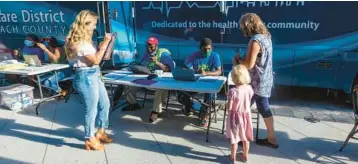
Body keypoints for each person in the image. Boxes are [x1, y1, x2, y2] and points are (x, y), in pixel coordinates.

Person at [65, 10, 113, 151]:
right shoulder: (79, 43)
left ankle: (101, 131)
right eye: (93, 24)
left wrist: (103, 47)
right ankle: (89, 138)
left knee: (105, 103)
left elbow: (95, 60)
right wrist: (105, 43)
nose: (94, 27)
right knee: (91, 110)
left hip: (94, 74)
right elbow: (96, 60)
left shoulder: (86, 41)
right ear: (85, 24)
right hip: (86, 77)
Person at [233, 13, 278, 148]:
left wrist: (238, 60)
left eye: (242, 27)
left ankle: (243, 138)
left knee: (242, 108)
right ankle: (272, 138)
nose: (242, 30)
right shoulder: (266, 37)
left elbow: (249, 65)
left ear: (248, 26)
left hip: (255, 82)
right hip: (266, 79)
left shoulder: (255, 41)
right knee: (264, 108)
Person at [112, 37, 175, 120]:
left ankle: (155, 111)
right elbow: (141, 64)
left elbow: (169, 69)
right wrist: (136, 66)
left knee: (160, 89)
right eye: (147, 46)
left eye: (151, 46)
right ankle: (133, 104)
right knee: (128, 84)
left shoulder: (163, 54)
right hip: (148, 78)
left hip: (161, 79)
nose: (149, 48)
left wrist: (157, 62)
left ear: (156, 46)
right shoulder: (147, 54)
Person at [177, 38, 222, 127]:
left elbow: (219, 71)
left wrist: (206, 73)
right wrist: (186, 71)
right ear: (200, 48)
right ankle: (190, 106)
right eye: (205, 49)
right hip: (195, 82)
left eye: (209, 49)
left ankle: (204, 115)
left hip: (209, 83)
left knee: (210, 94)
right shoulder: (194, 55)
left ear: (212, 48)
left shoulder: (215, 56)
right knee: (181, 95)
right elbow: (185, 68)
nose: (207, 51)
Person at [226, 65, 254, 163]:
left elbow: (229, 107)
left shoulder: (232, 92)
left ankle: (233, 158)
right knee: (245, 138)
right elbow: (249, 100)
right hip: (246, 116)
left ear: (234, 78)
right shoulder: (249, 88)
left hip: (235, 118)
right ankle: (245, 156)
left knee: (235, 138)